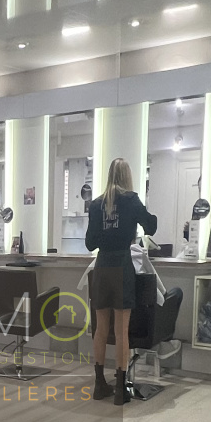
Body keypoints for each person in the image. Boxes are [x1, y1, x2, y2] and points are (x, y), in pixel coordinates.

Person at [86, 157, 157, 405]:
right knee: (121, 331)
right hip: (122, 266)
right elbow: (150, 226)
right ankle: (119, 389)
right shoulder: (131, 200)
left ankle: (99, 385)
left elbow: (90, 243)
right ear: (127, 177)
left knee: (100, 329)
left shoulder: (96, 204)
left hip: (102, 267)